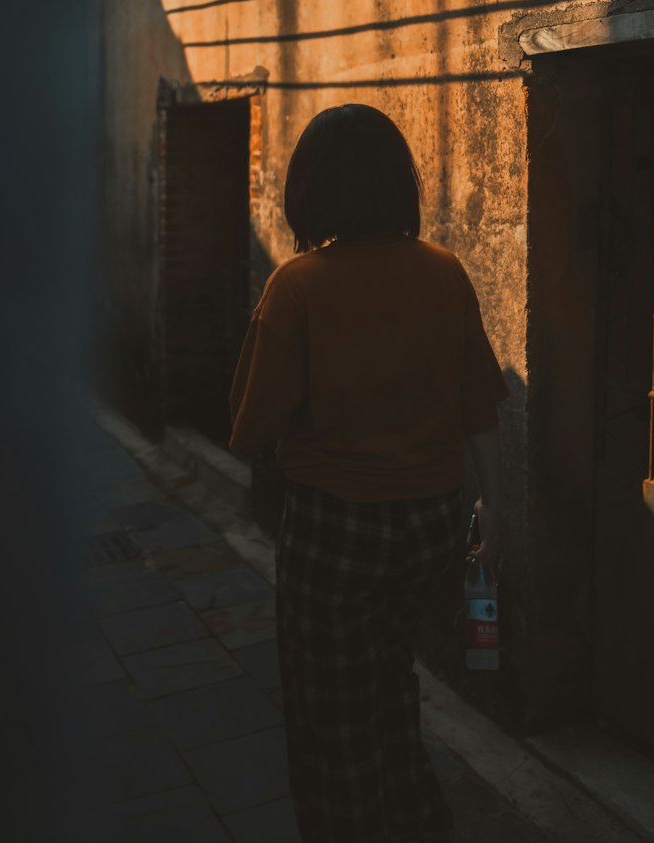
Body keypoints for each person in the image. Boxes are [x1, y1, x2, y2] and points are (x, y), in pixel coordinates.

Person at [229, 103, 508, 843]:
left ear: (311, 189)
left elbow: (248, 424)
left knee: (331, 726)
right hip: (430, 525)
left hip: (337, 529)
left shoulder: (296, 286)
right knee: (390, 691)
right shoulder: (444, 273)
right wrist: (492, 520)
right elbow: (481, 407)